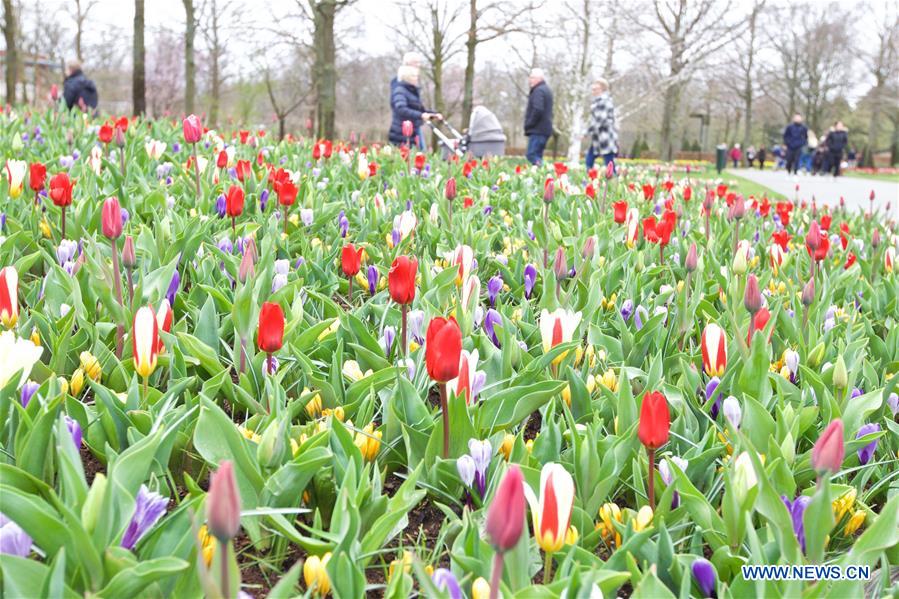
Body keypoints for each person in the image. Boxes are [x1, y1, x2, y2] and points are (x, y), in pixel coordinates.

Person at [388, 65, 441, 148]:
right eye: (414, 76)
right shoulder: (400, 91)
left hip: (414, 130)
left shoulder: (411, 91)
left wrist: (433, 114)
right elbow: (401, 108)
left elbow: (418, 110)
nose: (416, 78)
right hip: (401, 133)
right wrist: (420, 115)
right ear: (407, 77)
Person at [389, 52, 423, 146]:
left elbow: (416, 106)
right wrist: (421, 115)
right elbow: (400, 107)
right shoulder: (399, 85)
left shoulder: (412, 87)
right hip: (403, 129)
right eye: (416, 62)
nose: (418, 65)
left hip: (415, 126)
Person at [585, 78, 618, 169]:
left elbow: (600, 121)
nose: (593, 91)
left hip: (605, 137)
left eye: (595, 89)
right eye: (592, 89)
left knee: (609, 163)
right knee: (589, 159)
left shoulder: (604, 101)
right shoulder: (598, 101)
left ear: (602, 89)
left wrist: (587, 132)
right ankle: (590, 179)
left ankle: (613, 180)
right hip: (598, 137)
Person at [523, 68, 553, 165]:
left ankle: (545, 171)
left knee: (531, 155)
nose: (530, 80)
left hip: (538, 129)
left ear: (539, 78)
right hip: (543, 129)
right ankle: (541, 175)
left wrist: (529, 124)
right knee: (537, 155)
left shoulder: (538, 91)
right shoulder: (546, 90)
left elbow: (538, 109)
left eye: (532, 78)